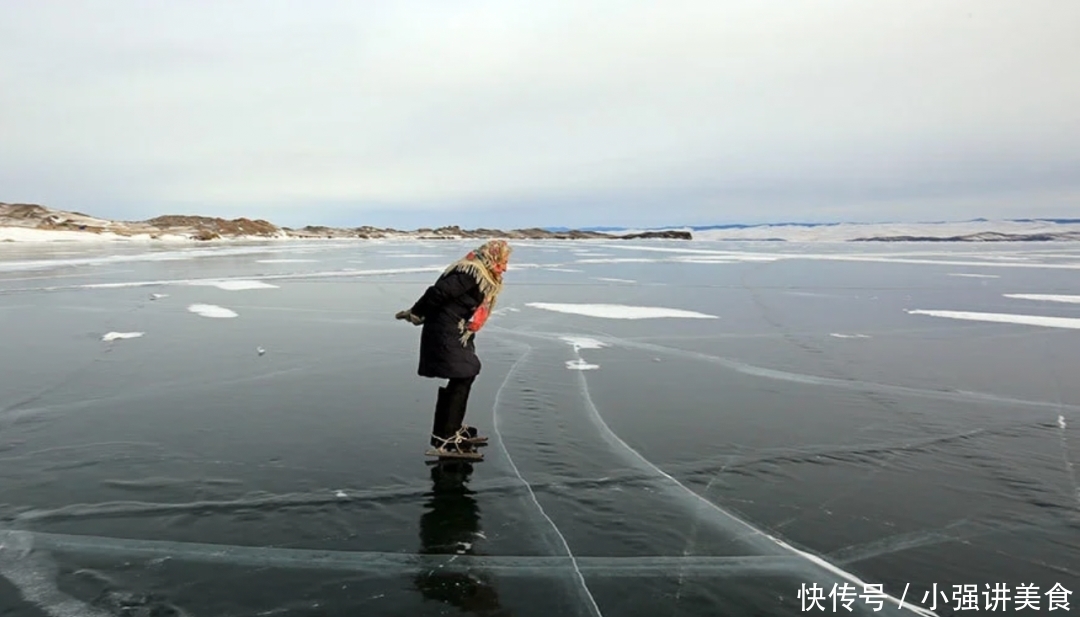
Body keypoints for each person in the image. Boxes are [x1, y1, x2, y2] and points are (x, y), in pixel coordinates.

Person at [396, 239, 512, 459]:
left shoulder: (479, 272)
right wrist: (417, 312)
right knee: (464, 373)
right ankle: (446, 436)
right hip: (445, 329)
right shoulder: (470, 273)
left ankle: (450, 431)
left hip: (456, 329)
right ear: (492, 257)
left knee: (466, 373)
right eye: (503, 261)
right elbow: (438, 293)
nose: (505, 267)